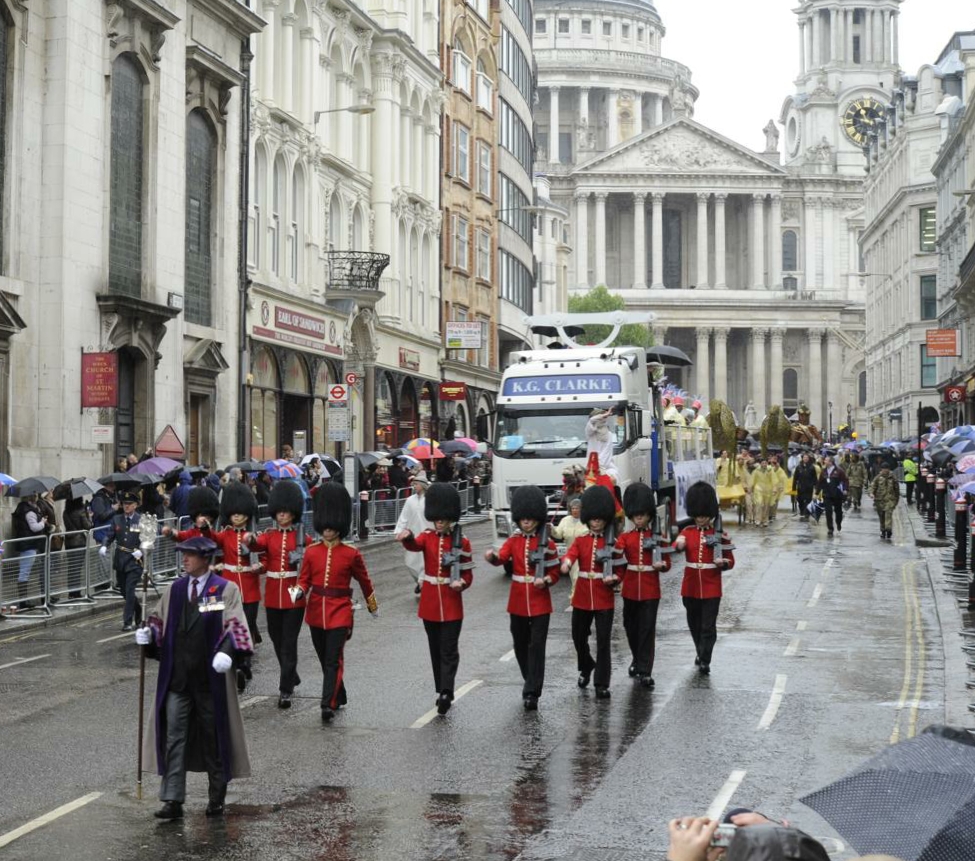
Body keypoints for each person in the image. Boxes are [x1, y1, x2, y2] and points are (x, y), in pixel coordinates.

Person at [136, 536, 252, 820]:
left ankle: (215, 798)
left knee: (214, 738)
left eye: (190, 555)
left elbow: (235, 624)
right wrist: (148, 635)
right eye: (183, 554)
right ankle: (173, 800)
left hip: (209, 680)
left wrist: (228, 651)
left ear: (205, 558)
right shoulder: (175, 590)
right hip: (178, 679)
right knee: (174, 738)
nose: (184, 559)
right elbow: (158, 621)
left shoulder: (224, 589)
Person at [295, 483, 378, 723]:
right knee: (324, 659)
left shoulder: (351, 553)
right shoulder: (311, 552)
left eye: (333, 526)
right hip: (315, 612)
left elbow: (365, 581)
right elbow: (304, 581)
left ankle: (326, 704)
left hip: (340, 611)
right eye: (325, 526)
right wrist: (295, 594)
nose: (328, 530)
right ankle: (338, 694)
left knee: (333, 659)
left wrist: (372, 605)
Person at [398, 483, 473, 715]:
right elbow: (414, 544)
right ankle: (440, 686)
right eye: (436, 518)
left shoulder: (463, 541)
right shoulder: (428, 537)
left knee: (449, 649)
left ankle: (446, 691)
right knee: (435, 648)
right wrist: (407, 536)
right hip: (430, 602)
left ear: (450, 517)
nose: (439, 521)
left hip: (451, 603)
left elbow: (468, 573)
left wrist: (462, 584)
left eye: (443, 518)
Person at [484, 485, 559, 710]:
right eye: (523, 519)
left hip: (540, 603)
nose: (526, 522)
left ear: (536, 519)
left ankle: (532, 692)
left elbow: (554, 572)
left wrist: (545, 581)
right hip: (517, 601)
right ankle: (530, 678)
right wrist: (492, 557)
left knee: (537, 646)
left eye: (530, 519)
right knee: (519, 644)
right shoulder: (514, 541)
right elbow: (502, 557)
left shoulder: (548, 543)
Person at [249, 480, 311, 709]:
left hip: (295, 593)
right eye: (279, 512)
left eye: (286, 512)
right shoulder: (271, 535)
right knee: (276, 639)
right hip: (274, 594)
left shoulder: (303, 538)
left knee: (288, 642)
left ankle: (285, 690)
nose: (282, 515)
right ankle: (291, 672)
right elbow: (258, 545)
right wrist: (250, 539)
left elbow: (309, 565)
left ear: (293, 513)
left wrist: (302, 588)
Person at [560, 484, 622, 699]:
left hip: (604, 596)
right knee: (578, 636)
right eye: (593, 518)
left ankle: (602, 683)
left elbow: (621, 565)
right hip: (583, 596)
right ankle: (586, 665)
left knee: (603, 641)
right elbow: (571, 554)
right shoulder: (581, 540)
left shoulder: (613, 542)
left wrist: (616, 578)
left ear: (605, 519)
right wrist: (567, 563)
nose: (596, 521)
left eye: (599, 518)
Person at [673, 482, 734, 675]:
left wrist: (722, 562)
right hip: (690, 585)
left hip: (711, 586)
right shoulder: (687, 532)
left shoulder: (720, 535)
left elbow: (730, 561)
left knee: (708, 625)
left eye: (704, 515)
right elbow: (677, 545)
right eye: (698, 516)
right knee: (694, 624)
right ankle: (700, 650)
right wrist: (679, 545)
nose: (700, 519)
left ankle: (705, 658)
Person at [614, 483, 670, 689]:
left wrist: (661, 564)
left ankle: (645, 670)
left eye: (643, 514)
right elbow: (619, 563)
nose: (639, 517)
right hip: (630, 588)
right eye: (636, 514)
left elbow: (667, 563)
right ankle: (637, 659)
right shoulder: (625, 538)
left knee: (647, 630)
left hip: (650, 590)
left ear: (648, 515)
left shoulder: (657, 538)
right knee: (631, 627)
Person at [211, 480, 264, 688]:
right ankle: (239, 664)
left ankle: (245, 661)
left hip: (249, 587)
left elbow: (265, 557)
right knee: (231, 626)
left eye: (240, 514)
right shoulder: (226, 534)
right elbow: (212, 539)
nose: (237, 516)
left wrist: (256, 562)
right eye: (233, 513)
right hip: (229, 586)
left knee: (247, 625)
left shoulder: (254, 537)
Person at [99, 490, 146, 630]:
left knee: (130, 589)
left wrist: (141, 550)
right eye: (124, 504)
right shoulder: (117, 519)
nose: (126, 506)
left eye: (129, 504)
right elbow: (110, 535)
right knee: (124, 591)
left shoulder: (141, 520)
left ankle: (127, 622)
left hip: (135, 561)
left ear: (135, 505)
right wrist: (104, 545)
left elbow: (149, 538)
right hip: (121, 560)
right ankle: (138, 610)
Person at [394, 475, 433, 595]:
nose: (414, 486)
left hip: (428, 534)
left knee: (425, 562)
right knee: (410, 562)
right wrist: (398, 531)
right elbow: (403, 517)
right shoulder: (410, 500)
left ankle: (423, 582)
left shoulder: (430, 499)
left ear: (423, 485)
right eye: (413, 484)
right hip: (413, 536)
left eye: (416, 484)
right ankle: (419, 581)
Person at [11, 494, 48, 609]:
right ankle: (23, 602)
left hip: (27, 545)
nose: (37, 497)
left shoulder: (25, 509)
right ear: (33, 498)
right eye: (36, 495)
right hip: (29, 545)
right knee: (24, 572)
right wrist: (42, 522)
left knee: (24, 572)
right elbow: (34, 527)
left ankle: (23, 601)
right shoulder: (29, 512)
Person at [550, 496, 588, 601]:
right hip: (571, 553)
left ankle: (574, 599)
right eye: (573, 508)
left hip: (584, 553)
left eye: (577, 508)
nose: (575, 510)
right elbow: (558, 534)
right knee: (574, 578)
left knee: (578, 577)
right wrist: (552, 529)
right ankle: (580, 598)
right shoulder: (565, 520)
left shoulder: (587, 520)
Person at [62, 496, 93, 599]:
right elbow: (88, 526)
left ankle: (71, 592)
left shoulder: (65, 512)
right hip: (79, 542)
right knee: (77, 568)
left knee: (71, 567)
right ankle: (76, 593)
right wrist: (89, 517)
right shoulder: (81, 511)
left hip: (69, 542)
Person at [816, 455, 848, 537]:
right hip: (827, 495)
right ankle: (830, 528)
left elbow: (845, 480)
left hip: (837, 494)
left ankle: (838, 522)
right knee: (828, 512)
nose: (824, 461)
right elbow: (820, 482)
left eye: (826, 460)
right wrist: (816, 493)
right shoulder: (823, 471)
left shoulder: (839, 471)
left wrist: (845, 489)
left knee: (838, 512)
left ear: (830, 462)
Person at [585, 407, 620, 478]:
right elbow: (591, 421)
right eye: (601, 418)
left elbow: (606, 453)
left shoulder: (608, 434)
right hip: (591, 468)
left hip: (606, 469)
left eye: (604, 418)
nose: (603, 420)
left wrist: (599, 468)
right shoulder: (591, 432)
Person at [869, 464, 900, 540]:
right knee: (882, 516)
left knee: (888, 514)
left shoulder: (893, 478)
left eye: (886, 469)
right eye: (883, 469)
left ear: (889, 469)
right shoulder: (878, 478)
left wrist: (896, 500)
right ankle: (883, 530)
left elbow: (897, 490)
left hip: (890, 500)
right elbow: (873, 486)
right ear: (881, 469)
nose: (885, 470)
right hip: (880, 500)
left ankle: (888, 529)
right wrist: (872, 493)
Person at [792, 454, 818, 522]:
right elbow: (795, 478)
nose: (805, 458)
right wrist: (794, 488)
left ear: (809, 459)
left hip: (809, 487)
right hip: (801, 486)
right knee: (800, 500)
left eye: (807, 457)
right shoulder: (799, 467)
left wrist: (816, 486)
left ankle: (806, 513)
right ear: (802, 458)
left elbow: (815, 478)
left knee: (808, 500)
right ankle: (802, 511)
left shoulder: (812, 467)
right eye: (804, 457)